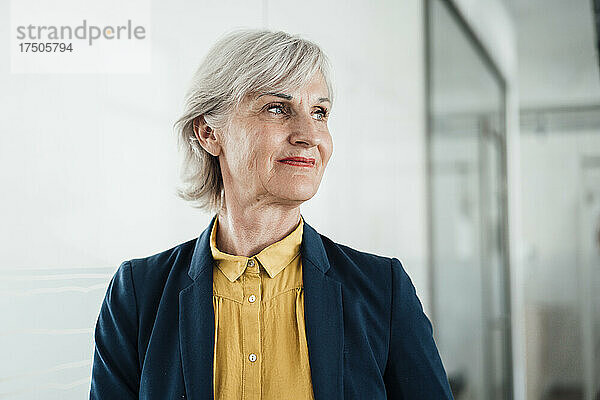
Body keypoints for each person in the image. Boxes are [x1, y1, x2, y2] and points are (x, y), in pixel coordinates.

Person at [89, 28, 454, 400]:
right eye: (277, 108)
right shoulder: (137, 294)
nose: (309, 134)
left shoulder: (382, 290)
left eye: (319, 112)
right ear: (208, 132)